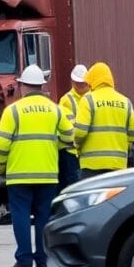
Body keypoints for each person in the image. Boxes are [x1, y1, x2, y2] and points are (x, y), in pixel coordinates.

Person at [0, 65, 73, 267]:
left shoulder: (13, 111)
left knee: (20, 215)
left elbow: (1, 144)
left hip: (19, 175)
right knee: (43, 217)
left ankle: (24, 260)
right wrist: (53, 146)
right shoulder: (56, 109)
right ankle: (43, 260)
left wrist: (0, 166)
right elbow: (69, 137)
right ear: (41, 86)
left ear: (23, 86)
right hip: (47, 174)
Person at [73, 62, 134, 178]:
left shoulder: (88, 100)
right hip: (118, 165)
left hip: (92, 165)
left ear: (93, 80)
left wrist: (78, 146)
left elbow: (80, 132)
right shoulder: (125, 101)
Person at [56, 64, 88, 192]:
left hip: (87, 149)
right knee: (73, 184)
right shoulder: (66, 100)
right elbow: (66, 127)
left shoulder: (92, 97)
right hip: (71, 151)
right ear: (72, 82)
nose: (80, 86)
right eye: (78, 83)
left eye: (83, 83)